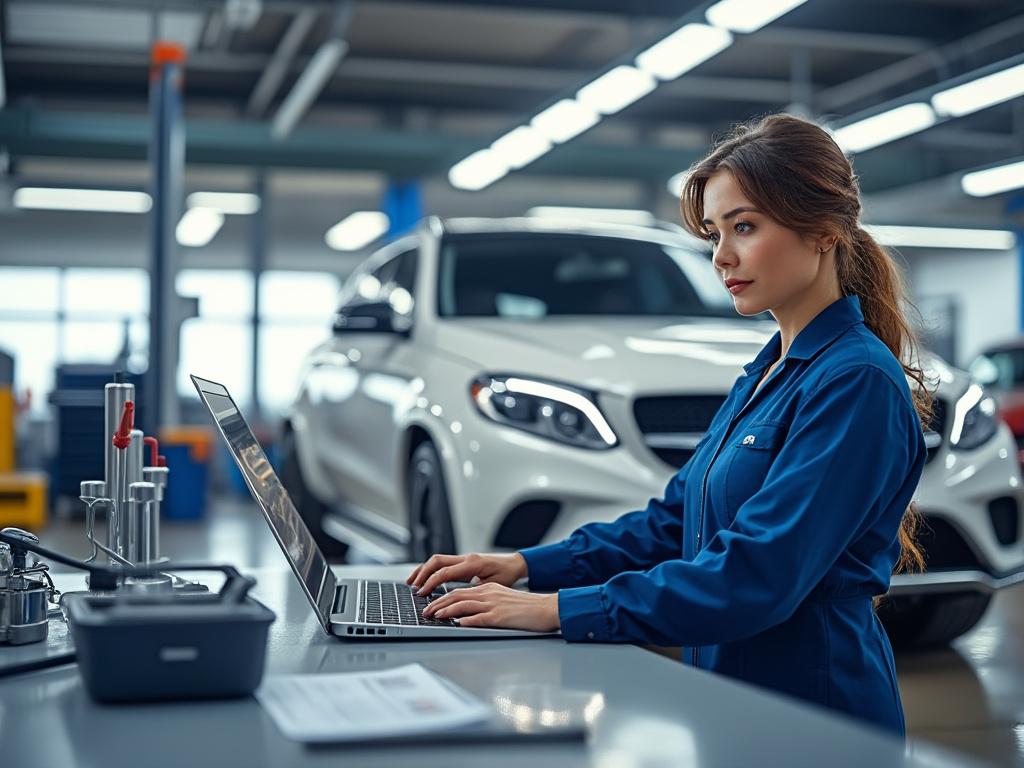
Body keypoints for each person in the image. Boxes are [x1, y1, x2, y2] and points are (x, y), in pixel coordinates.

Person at [407, 113, 934, 737]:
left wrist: (556, 610)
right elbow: (672, 523)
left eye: (745, 227)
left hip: (815, 713)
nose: (722, 256)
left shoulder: (855, 381)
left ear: (821, 231)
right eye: (714, 233)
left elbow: (757, 576)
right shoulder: (767, 374)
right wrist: (524, 566)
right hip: (729, 699)